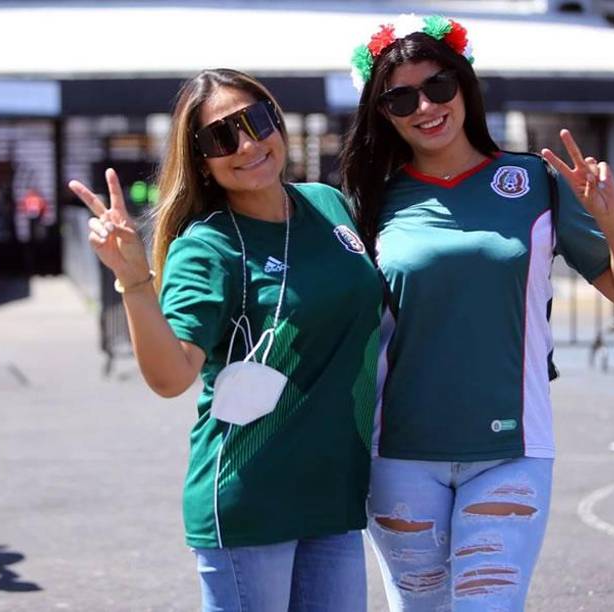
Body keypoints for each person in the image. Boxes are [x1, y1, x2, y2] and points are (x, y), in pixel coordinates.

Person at [339, 15, 614, 611]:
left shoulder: (537, 180)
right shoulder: (370, 199)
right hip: (399, 454)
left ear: (465, 85)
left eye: (438, 86)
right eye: (401, 97)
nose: (425, 107)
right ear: (381, 112)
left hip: (513, 450)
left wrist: (612, 219)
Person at [67, 69, 381, 612]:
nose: (247, 144)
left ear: (276, 119)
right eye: (220, 137)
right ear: (201, 160)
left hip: (334, 494)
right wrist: (134, 282)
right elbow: (171, 377)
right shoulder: (207, 246)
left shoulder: (329, 205)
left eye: (255, 122)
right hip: (251, 498)